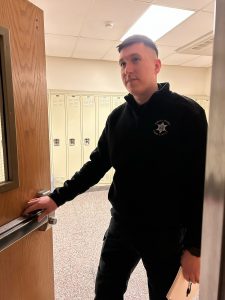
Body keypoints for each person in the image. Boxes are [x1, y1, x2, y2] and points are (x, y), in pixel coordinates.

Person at [23, 35, 207, 300]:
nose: (127, 69)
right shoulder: (118, 118)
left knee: (166, 296)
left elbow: (201, 183)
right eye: (121, 63)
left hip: (167, 234)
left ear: (156, 65)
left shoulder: (187, 114)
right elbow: (96, 166)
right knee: (106, 292)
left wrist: (195, 247)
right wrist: (56, 198)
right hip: (122, 226)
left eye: (135, 60)